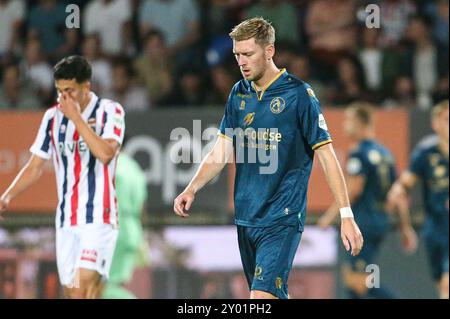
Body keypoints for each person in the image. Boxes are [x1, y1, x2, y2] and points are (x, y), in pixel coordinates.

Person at [173, 17, 364, 299]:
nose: (242, 62)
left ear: (269, 51)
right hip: (247, 217)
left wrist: (346, 215)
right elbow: (222, 150)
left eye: (248, 54)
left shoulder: (299, 95)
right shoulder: (239, 94)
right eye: (238, 55)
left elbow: (326, 154)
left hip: (282, 217)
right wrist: (192, 187)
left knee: (260, 299)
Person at [0, 55, 125, 299]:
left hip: (98, 216)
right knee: (76, 294)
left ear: (86, 86)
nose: (63, 98)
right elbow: (35, 165)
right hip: (67, 219)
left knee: (80, 290)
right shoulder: (52, 117)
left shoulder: (110, 111)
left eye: (69, 90)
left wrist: (77, 118)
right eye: (59, 91)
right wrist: (6, 196)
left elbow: (106, 154)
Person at [318, 102, 417, 299]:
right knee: (354, 281)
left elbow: (353, 189)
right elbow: (397, 196)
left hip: (363, 223)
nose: (345, 125)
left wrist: (329, 217)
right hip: (380, 222)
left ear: (361, 123)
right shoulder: (385, 154)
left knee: (360, 284)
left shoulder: (359, 153)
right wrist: (405, 227)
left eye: (349, 120)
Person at [388, 100, 449, 299]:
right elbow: (404, 186)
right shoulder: (426, 152)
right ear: (436, 124)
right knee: (441, 284)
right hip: (436, 228)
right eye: (447, 120)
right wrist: (405, 226)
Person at [102, 150, 148, 299]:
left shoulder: (105, 163)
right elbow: (142, 208)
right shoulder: (134, 169)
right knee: (117, 282)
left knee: (105, 284)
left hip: (109, 227)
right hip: (132, 230)